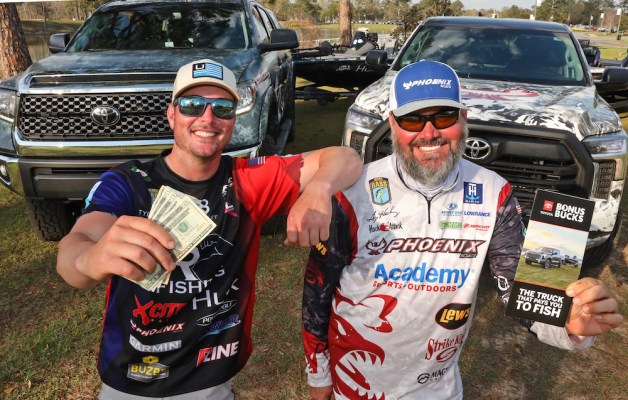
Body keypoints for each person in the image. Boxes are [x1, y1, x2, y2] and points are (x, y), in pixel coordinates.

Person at [301, 60, 623, 400]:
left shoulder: (495, 192)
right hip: (357, 379)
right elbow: (317, 290)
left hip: (438, 388)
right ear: (393, 124)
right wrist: (318, 374)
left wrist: (567, 322)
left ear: (463, 119)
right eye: (412, 120)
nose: (429, 133)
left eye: (444, 117)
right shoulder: (354, 191)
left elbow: (517, 285)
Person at [56, 58, 362, 400]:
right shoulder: (129, 182)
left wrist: (319, 189)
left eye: (223, 108)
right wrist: (89, 259)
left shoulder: (247, 181)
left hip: (212, 382)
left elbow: (346, 157)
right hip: (131, 379)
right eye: (192, 105)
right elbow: (76, 248)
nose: (208, 118)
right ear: (172, 115)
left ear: (233, 121)